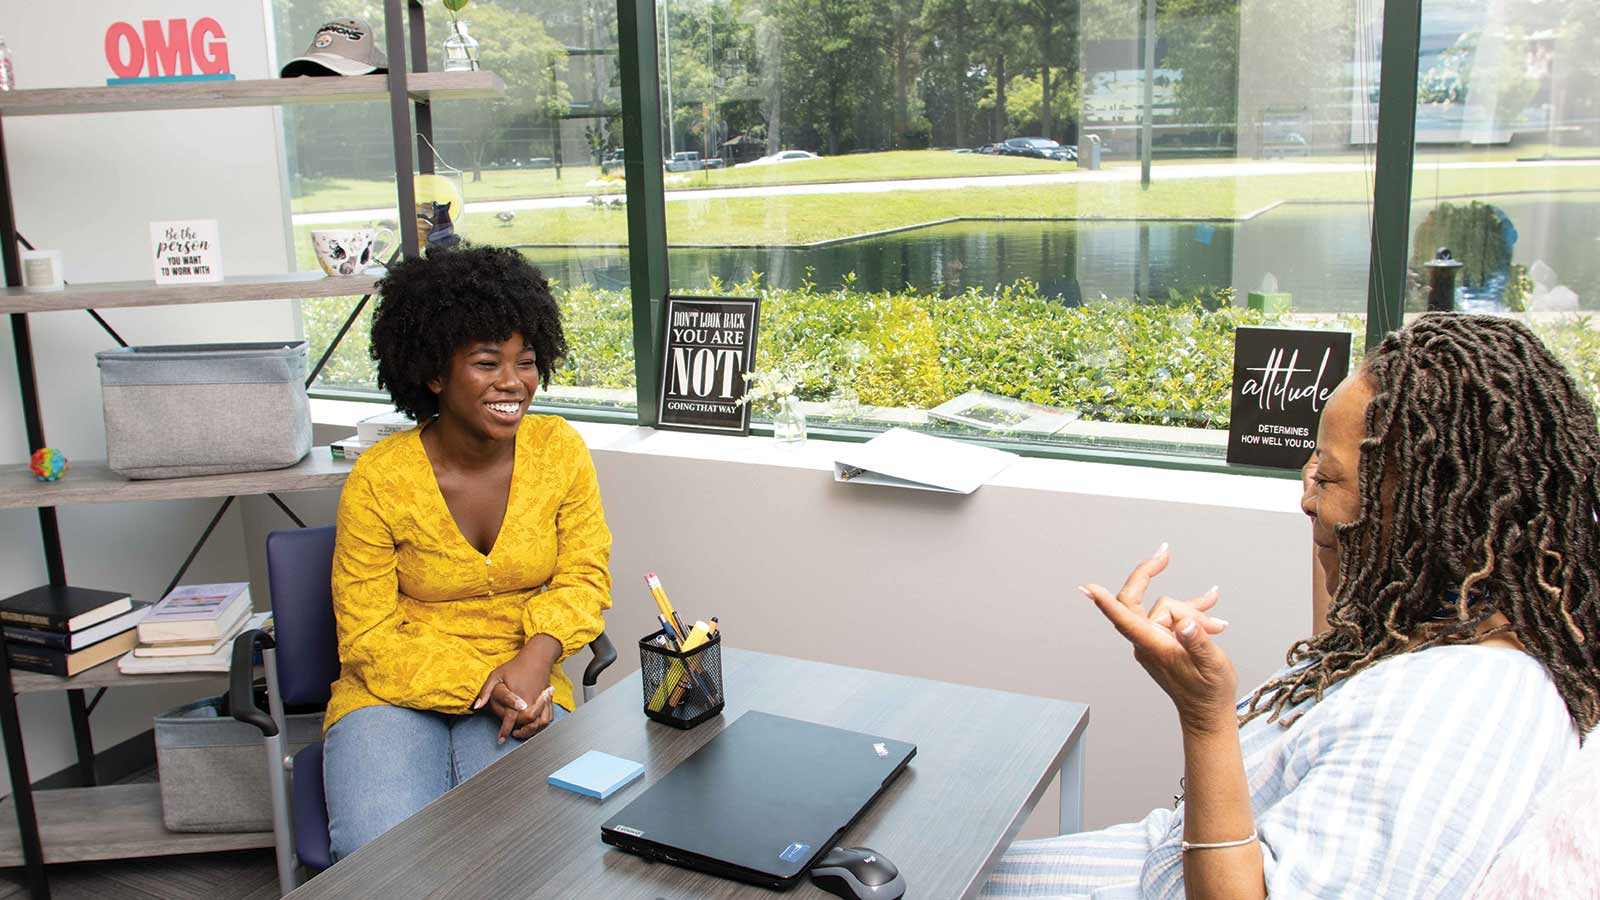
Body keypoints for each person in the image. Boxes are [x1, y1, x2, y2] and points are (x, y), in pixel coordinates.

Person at [981, 313, 1600, 899]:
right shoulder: (1443, 630)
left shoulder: (1460, 713)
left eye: (1327, 481)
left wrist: (1205, 716)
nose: (1307, 500)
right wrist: (1333, 488)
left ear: (1430, 515)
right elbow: (1338, 631)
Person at [321, 245, 612, 862]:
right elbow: (367, 633)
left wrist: (538, 657)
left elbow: (584, 577)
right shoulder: (379, 477)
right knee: (384, 854)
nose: (514, 382)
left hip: (524, 684)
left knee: (526, 848)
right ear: (433, 372)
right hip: (392, 688)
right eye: (486, 362)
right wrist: (484, 684)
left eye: (526, 361)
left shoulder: (560, 451)